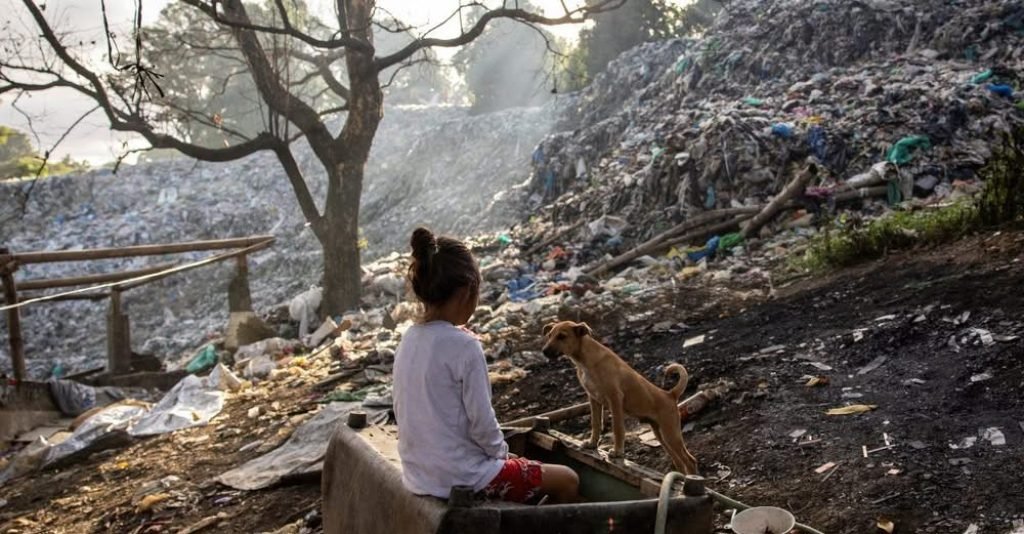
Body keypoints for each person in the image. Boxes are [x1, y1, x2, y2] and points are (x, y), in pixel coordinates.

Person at [393, 227, 580, 504]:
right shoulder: (465, 345)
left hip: (419, 475)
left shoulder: (409, 338)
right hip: (461, 477)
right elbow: (482, 423)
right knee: (567, 479)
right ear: (468, 290)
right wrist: (503, 455)